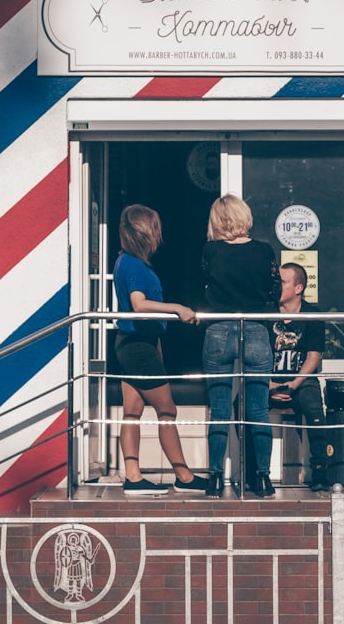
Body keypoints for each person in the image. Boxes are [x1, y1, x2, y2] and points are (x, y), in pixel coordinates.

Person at [113, 204, 208, 495]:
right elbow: (139, 304)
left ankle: (133, 476)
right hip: (138, 347)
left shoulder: (125, 262)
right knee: (167, 410)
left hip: (132, 344)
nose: (158, 236)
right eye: (155, 230)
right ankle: (184, 476)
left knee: (132, 412)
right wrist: (177, 308)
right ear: (145, 233)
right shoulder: (134, 265)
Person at [201, 194, 281, 499]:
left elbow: (204, 284)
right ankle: (262, 479)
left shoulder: (211, 250)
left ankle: (214, 479)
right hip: (257, 329)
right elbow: (275, 289)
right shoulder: (263, 251)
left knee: (219, 410)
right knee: (259, 409)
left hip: (219, 328)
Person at [269, 262, 330, 492]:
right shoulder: (267, 313)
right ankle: (255, 472)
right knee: (243, 406)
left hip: (301, 381)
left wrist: (293, 384)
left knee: (314, 408)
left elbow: (313, 357)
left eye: (282, 282)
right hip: (269, 381)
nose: (277, 287)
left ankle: (321, 472)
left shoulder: (312, 314)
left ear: (298, 288)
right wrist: (269, 384)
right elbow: (256, 356)